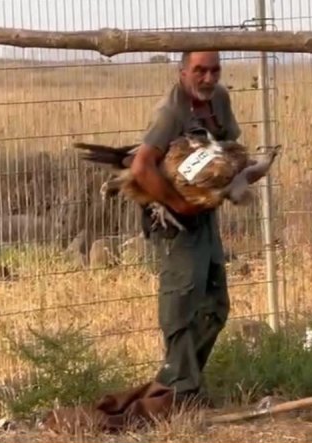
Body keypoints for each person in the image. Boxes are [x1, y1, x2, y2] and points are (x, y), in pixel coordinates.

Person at [129, 50, 241, 407]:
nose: (209, 78)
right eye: (199, 71)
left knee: (216, 305)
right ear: (182, 72)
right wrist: (179, 204)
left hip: (203, 211)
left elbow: (229, 148)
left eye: (215, 70)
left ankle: (183, 381)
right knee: (181, 302)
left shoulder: (219, 98)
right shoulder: (170, 111)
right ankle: (177, 388)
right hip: (173, 217)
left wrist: (233, 177)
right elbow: (141, 167)